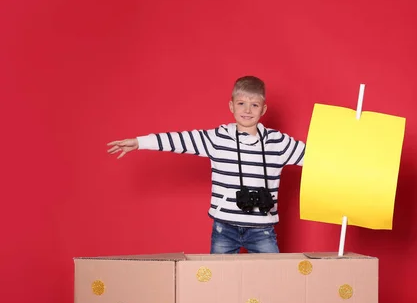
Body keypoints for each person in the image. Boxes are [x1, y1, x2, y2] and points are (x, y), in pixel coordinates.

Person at [107, 76, 305, 254]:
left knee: (275, 280)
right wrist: (140, 142)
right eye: (241, 103)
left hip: (263, 228)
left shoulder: (277, 142)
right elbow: (179, 140)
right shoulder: (217, 138)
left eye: (254, 105)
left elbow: (315, 157)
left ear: (264, 109)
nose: (247, 110)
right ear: (231, 106)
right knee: (216, 284)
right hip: (224, 227)